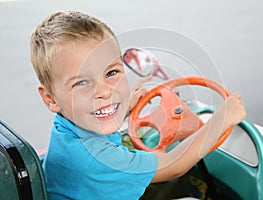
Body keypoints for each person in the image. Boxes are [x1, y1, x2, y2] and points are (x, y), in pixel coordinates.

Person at [30, 10, 246, 200]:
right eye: (82, 83)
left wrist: (123, 109)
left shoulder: (67, 127)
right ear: (51, 99)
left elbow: (91, 117)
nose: (105, 92)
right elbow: (174, 165)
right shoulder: (98, 161)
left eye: (111, 73)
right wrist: (221, 118)